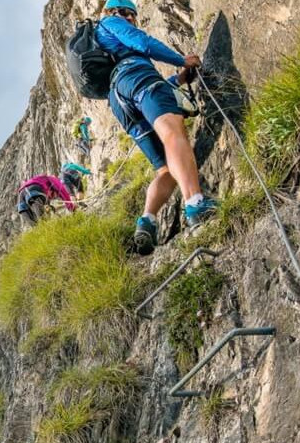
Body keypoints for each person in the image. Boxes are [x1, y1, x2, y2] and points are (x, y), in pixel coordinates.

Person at [96, 0, 218, 255]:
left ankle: (147, 221)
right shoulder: (109, 21)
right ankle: (196, 204)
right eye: (129, 14)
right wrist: (181, 59)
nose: (131, 19)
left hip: (120, 99)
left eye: (133, 16)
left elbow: (152, 89)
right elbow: (142, 43)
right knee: (173, 133)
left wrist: (178, 79)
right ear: (117, 11)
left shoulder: (104, 44)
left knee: (165, 169)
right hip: (138, 78)